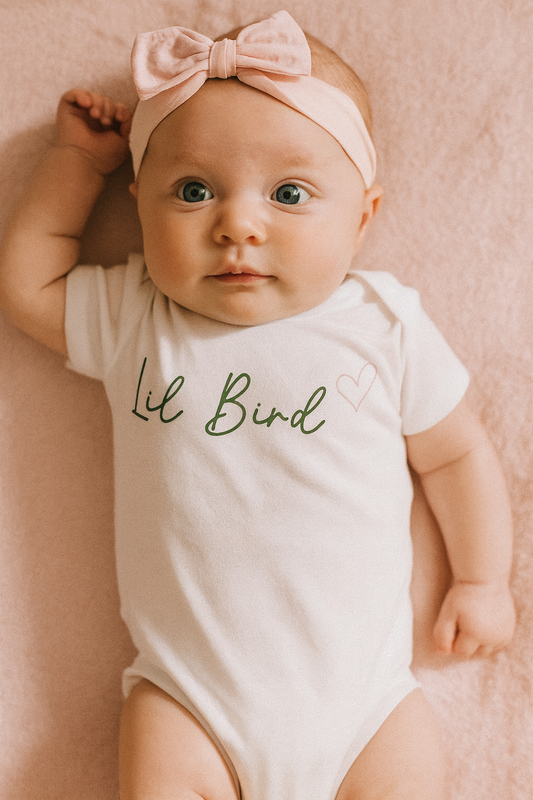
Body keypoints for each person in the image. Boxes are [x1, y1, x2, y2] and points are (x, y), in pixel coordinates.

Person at [0, 10, 515, 800]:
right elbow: (27, 283)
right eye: (194, 190)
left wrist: (481, 581)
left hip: (365, 707)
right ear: (139, 204)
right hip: (189, 701)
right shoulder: (138, 318)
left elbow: (455, 453)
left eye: (289, 193)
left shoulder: (382, 325)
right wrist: (75, 163)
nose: (237, 223)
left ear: (363, 217)